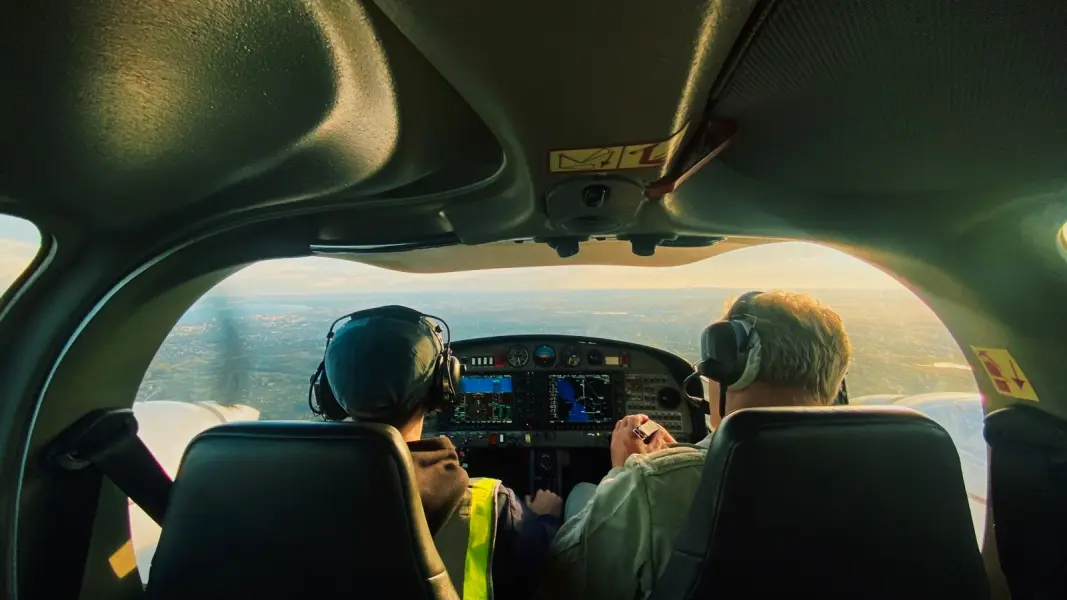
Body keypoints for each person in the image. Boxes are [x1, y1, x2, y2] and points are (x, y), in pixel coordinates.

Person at [539, 291, 852, 600]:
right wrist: (678, 461)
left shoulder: (649, 485)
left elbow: (563, 583)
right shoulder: (878, 474)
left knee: (579, 492)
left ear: (737, 367)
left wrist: (625, 473)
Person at [315, 305, 563, 600]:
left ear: (330, 393)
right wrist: (544, 519)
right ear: (442, 387)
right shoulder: (493, 507)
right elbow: (550, 567)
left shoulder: (291, 491)